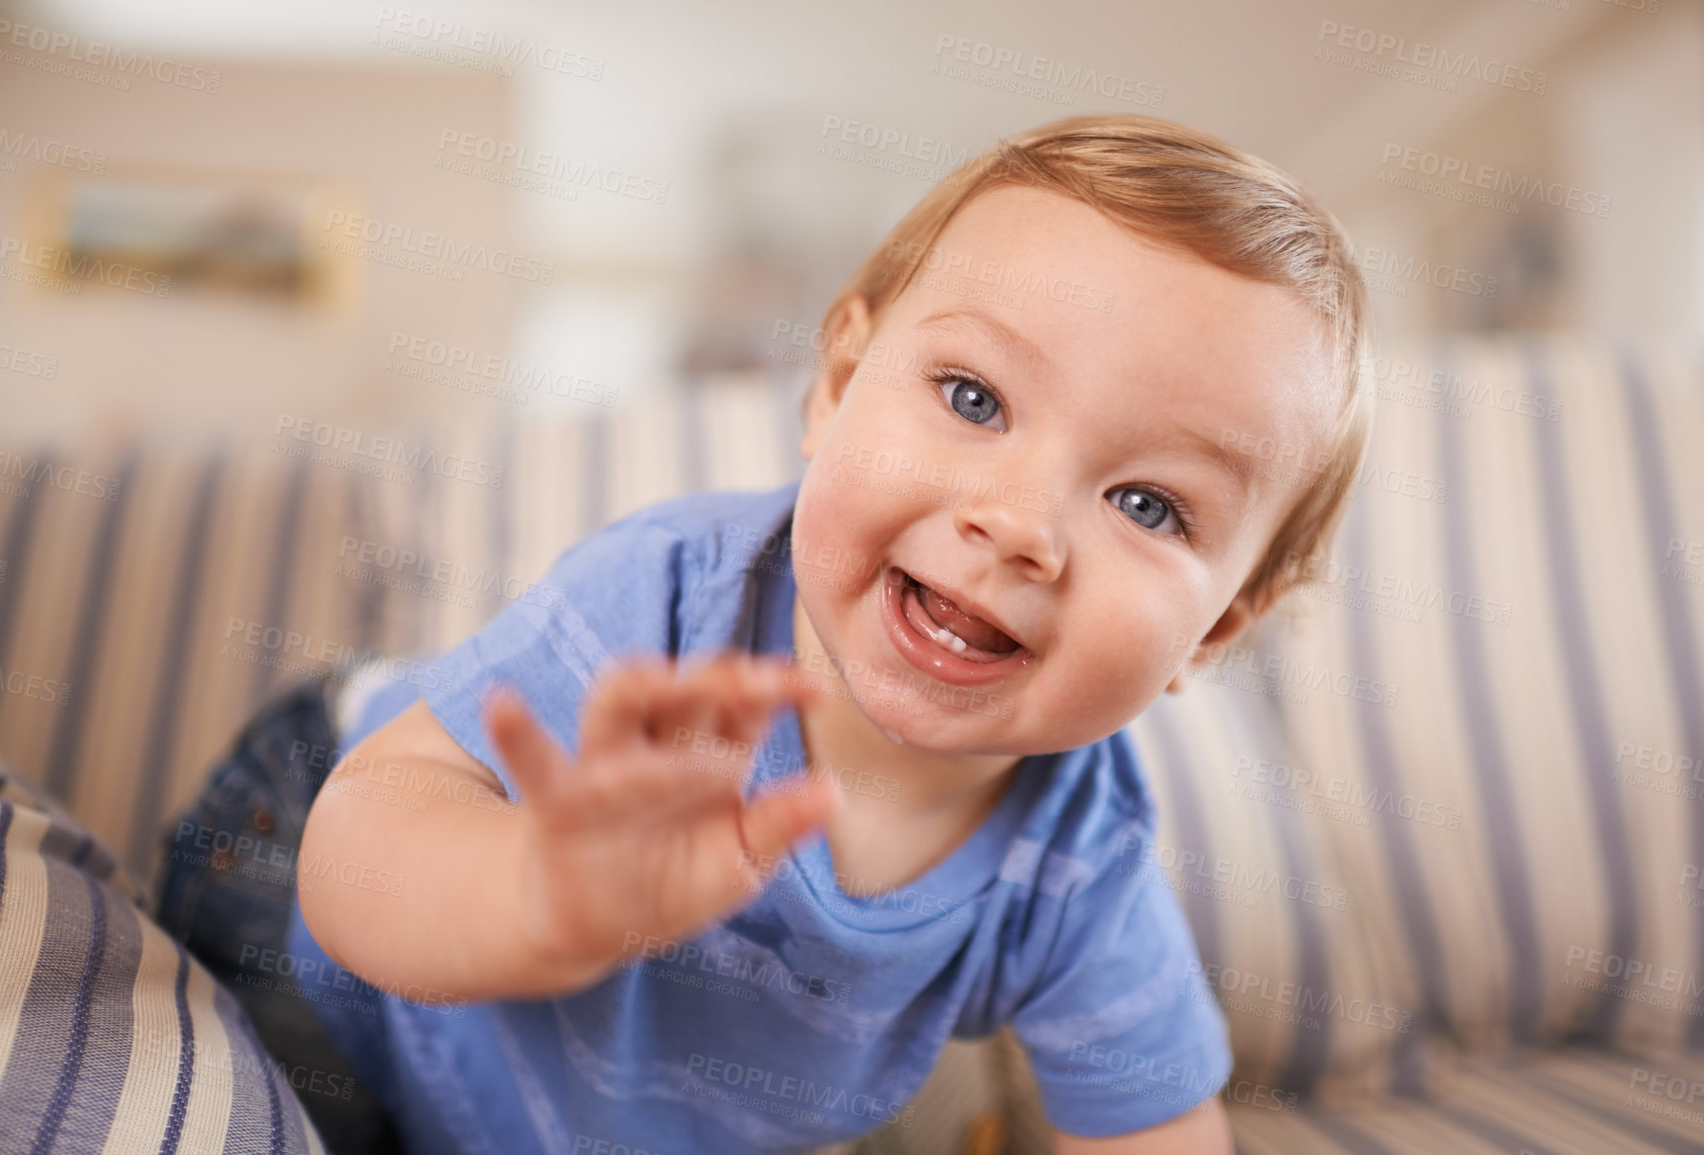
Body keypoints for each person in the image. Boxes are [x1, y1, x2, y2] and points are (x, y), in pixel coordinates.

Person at [166, 113, 1372, 1155]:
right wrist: (537, 893)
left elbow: (1157, 1127)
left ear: (1214, 630)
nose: (1018, 527)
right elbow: (360, 850)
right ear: (837, 384)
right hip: (320, 886)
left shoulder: (1078, 863)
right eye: (974, 399)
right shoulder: (676, 603)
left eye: (1148, 504)